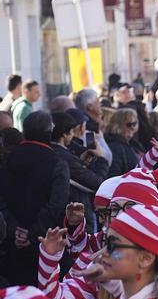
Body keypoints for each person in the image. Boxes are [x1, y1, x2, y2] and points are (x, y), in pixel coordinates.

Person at [0, 112, 69, 285]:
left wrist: (17, 231)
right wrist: (30, 234)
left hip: (15, 244)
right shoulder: (56, 162)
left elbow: (2, 203)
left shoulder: (8, 160)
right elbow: (56, 205)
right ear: (50, 132)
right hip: (47, 244)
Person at [50, 112, 108, 232]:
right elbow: (98, 183)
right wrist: (102, 159)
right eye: (71, 132)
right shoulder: (63, 157)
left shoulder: (55, 152)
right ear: (65, 134)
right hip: (75, 217)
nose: (73, 136)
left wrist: (82, 162)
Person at [74, 89, 113, 163]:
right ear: (89, 107)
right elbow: (101, 158)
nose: (100, 104)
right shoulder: (87, 128)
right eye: (97, 101)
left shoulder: (93, 125)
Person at [104, 107, 142, 177]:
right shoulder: (114, 146)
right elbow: (114, 176)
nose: (132, 127)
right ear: (118, 125)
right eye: (129, 124)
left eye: (134, 123)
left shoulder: (134, 143)